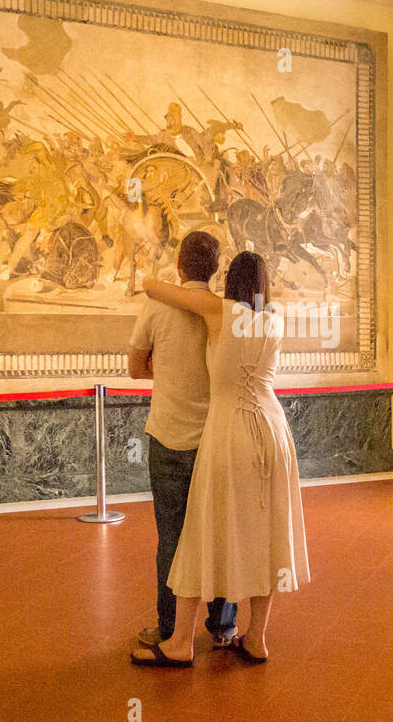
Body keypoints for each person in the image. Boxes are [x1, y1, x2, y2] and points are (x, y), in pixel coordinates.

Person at [131, 251, 309, 667]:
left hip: (230, 430)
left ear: (229, 280)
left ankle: (179, 643)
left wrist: (173, 277)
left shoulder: (220, 311)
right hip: (273, 429)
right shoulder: (274, 319)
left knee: (200, 532)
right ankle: (256, 638)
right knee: (267, 535)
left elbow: (153, 288)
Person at [127, 231, 238, 651]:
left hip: (169, 436)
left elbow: (136, 368)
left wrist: (168, 370)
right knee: (221, 534)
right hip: (216, 438)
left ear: (178, 263)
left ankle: (172, 628)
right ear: (214, 269)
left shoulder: (155, 306)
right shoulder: (225, 312)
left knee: (172, 537)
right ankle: (223, 624)